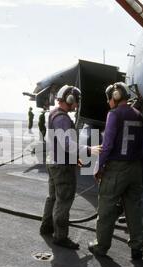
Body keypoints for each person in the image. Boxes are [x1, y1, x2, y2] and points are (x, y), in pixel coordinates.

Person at [88, 82, 143, 260]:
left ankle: (101, 247)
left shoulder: (113, 114)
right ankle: (137, 247)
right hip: (135, 168)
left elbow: (107, 145)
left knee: (106, 207)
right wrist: (138, 167)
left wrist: (98, 167)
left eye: (109, 99)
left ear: (115, 96)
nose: (108, 103)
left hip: (116, 169)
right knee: (134, 208)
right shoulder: (138, 115)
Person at [40, 85, 100, 250]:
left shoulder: (53, 114)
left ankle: (46, 227)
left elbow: (52, 140)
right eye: (76, 100)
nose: (77, 104)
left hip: (53, 161)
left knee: (52, 197)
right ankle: (60, 237)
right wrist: (88, 150)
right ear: (69, 99)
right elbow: (66, 143)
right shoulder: (63, 118)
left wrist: (74, 159)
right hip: (62, 167)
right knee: (64, 200)